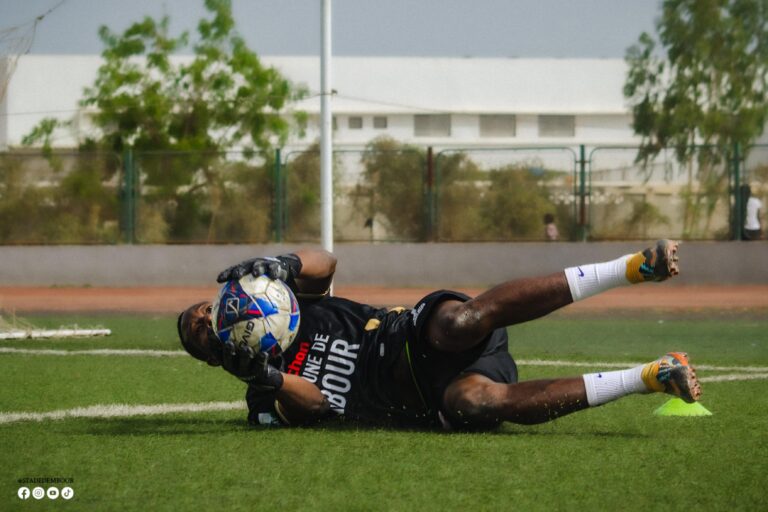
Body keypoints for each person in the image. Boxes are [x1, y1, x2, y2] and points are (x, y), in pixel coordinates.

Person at [177, 240, 700, 431]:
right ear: (210, 357)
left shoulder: (292, 300)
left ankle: (632, 266)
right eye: (197, 334)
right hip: (431, 396)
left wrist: (285, 263)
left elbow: (327, 261)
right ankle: (652, 376)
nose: (203, 322)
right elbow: (314, 406)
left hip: (413, 334)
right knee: (475, 403)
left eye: (202, 312)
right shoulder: (260, 396)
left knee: (460, 322)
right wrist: (267, 377)